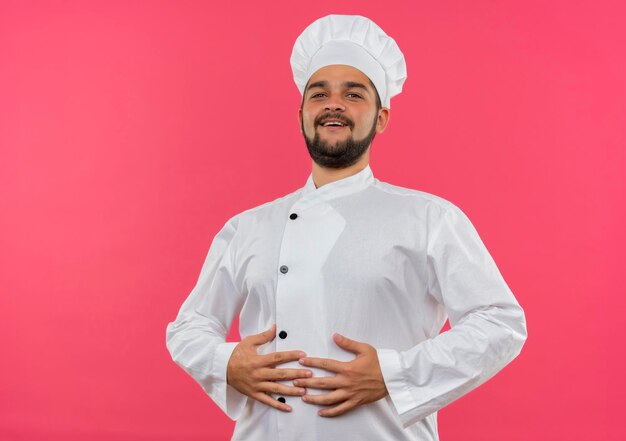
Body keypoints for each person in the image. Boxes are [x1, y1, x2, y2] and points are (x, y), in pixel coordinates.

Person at [165, 14, 527, 441]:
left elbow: (500, 322)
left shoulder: (430, 219)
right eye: (320, 94)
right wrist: (225, 363)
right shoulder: (247, 227)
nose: (333, 104)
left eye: (353, 94)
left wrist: (394, 374)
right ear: (302, 114)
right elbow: (188, 327)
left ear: (381, 117)